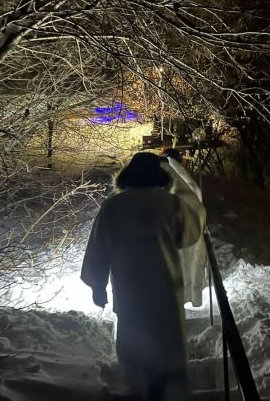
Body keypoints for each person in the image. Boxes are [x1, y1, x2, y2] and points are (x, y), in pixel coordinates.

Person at [81, 152, 204, 401]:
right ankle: (162, 386)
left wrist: (98, 286)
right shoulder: (171, 205)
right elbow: (188, 236)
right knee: (165, 337)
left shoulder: (113, 206)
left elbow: (98, 248)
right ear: (160, 176)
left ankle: (139, 385)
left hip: (129, 289)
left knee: (134, 335)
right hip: (165, 287)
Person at [159, 148, 207, 307]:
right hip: (187, 237)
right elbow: (198, 207)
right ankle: (188, 293)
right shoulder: (184, 185)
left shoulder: (157, 179)